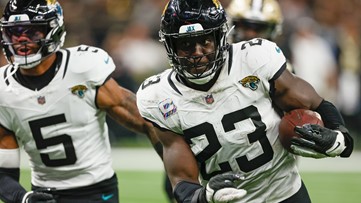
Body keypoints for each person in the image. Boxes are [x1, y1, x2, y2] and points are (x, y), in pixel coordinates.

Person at [136, 0, 354, 202]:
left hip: (285, 193)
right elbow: (181, 181)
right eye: (186, 44)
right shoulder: (158, 97)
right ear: (170, 46)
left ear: (220, 38)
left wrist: (340, 138)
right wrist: (205, 195)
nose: (197, 53)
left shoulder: (255, 57)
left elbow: (314, 103)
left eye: (205, 41)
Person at [0, 0, 161, 203]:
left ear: (53, 30)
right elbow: (3, 173)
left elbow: (146, 120)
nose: (21, 40)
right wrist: (23, 198)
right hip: (43, 194)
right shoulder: (3, 90)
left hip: (96, 192)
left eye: (31, 32)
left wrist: (176, 175)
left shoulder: (83, 68)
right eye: (15, 32)